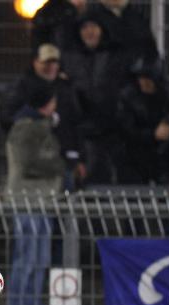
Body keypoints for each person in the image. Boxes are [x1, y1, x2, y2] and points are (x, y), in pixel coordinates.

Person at [5, 83, 65, 305]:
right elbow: (30, 162)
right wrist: (60, 166)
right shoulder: (25, 129)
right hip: (27, 202)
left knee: (39, 259)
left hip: (43, 201)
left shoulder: (42, 127)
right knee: (27, 259)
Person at [0, 44, 85, 190]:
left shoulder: (65, 88)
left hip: (62, 162)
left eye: (54, 62)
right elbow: (8, 121)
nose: (51, 66)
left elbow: (74, 124)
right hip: (39, 171)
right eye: (46, 62)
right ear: (35, 62)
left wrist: (77, 157)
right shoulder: (21, 87)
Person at [62, 14, 131, 185]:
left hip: (113, 129)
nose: (89, 32)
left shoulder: (116, 56)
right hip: (81, 129)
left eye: (94, 27)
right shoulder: (70, 57)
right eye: (85, 28)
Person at [115, 59, 169, 185]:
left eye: (147, 78)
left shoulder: (167, 95)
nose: (143, 82)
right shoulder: (128, 97)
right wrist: (153, 134)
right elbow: (126, 131)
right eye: (141, 78)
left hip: (162, 158)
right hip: (133, 157)